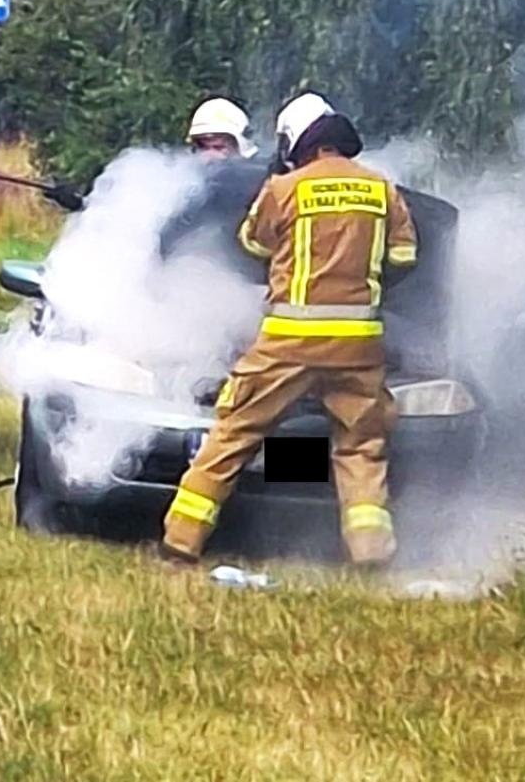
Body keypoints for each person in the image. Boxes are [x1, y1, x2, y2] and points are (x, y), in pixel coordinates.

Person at [162, 91, 418, 569]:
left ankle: (180, 542)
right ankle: (370, 552)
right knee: (361, 446)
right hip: (358, 345)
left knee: (234, 433)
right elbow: (404, 257)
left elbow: (251, 244)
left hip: (288, 341)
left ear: (294, 142)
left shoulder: (284, 189)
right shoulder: (382, 188)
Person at [159, 97, 268, 267]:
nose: (209, 157)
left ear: (241, 145)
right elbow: (168, 241)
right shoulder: (193, 192)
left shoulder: (268, 185)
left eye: (218, 147)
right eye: (203, 147)